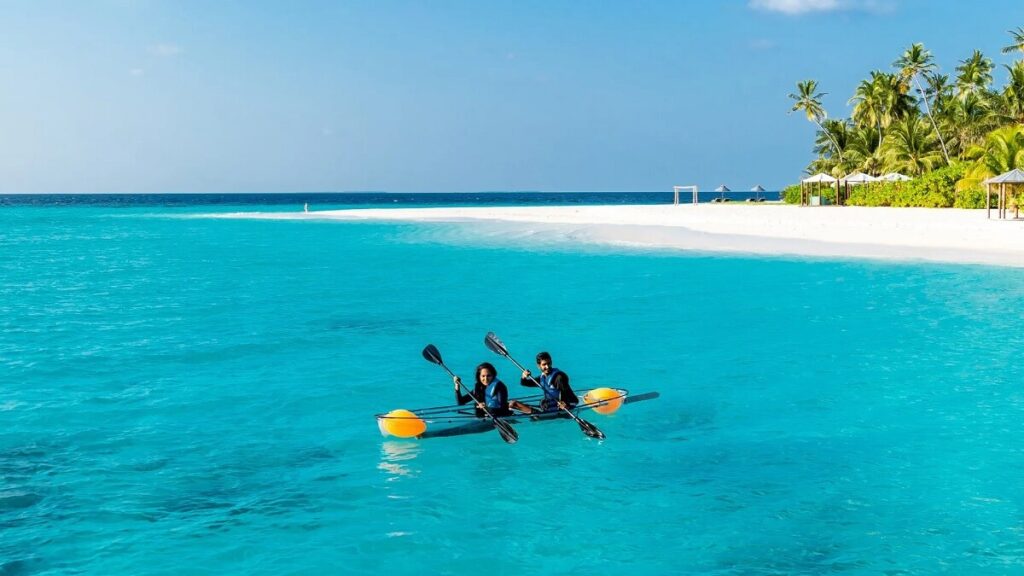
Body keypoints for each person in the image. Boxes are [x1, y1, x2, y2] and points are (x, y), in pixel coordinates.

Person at [513, 351, 578, 413]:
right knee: (512, 404)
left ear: (551, 362)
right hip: (550, 407)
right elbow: (524, 383)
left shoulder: (559, 377)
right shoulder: (542, 378)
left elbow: (567, 393)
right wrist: (523, 376)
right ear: (538, 366)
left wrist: (566, 405)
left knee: (514, 404)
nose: (547, 367)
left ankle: (533, 414)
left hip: (565, 407)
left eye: (549, 363)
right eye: (544, 364)